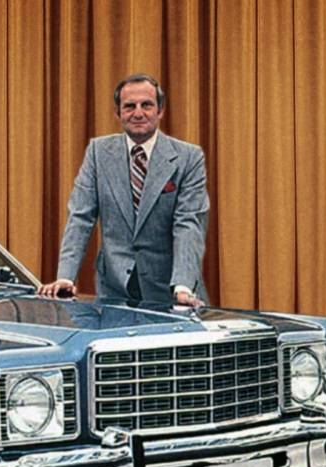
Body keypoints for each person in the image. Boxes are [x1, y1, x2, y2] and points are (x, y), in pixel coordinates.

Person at [38, 74, 209, 307]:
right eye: (129, 106)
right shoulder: (98, 152)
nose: (138, 113)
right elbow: (80, 216)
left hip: (172, 293)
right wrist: (66, 277)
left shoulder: (188, 158)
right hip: (114, 291)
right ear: (118, 114)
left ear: (160, 111)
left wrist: (182, 286)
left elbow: (188, 224)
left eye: (146, 105)